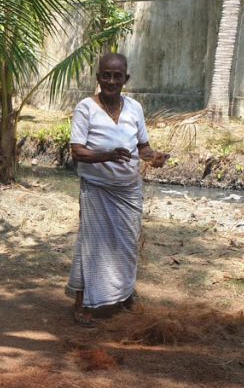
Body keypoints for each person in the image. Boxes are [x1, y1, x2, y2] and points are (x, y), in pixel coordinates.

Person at [66, 53, 169, 328]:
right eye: (106, 75)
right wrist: (107, 156)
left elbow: (142, 147)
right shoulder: (86, 108)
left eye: (117, 76)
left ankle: (124, 295)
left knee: (126, 245)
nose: (111, 81)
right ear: (98, 77)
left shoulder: (134, 108)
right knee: (91, 246)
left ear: (126, 79)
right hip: (97, 190)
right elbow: (77, 152)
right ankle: (82, 305)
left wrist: (154, 157)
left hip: (128, 191)